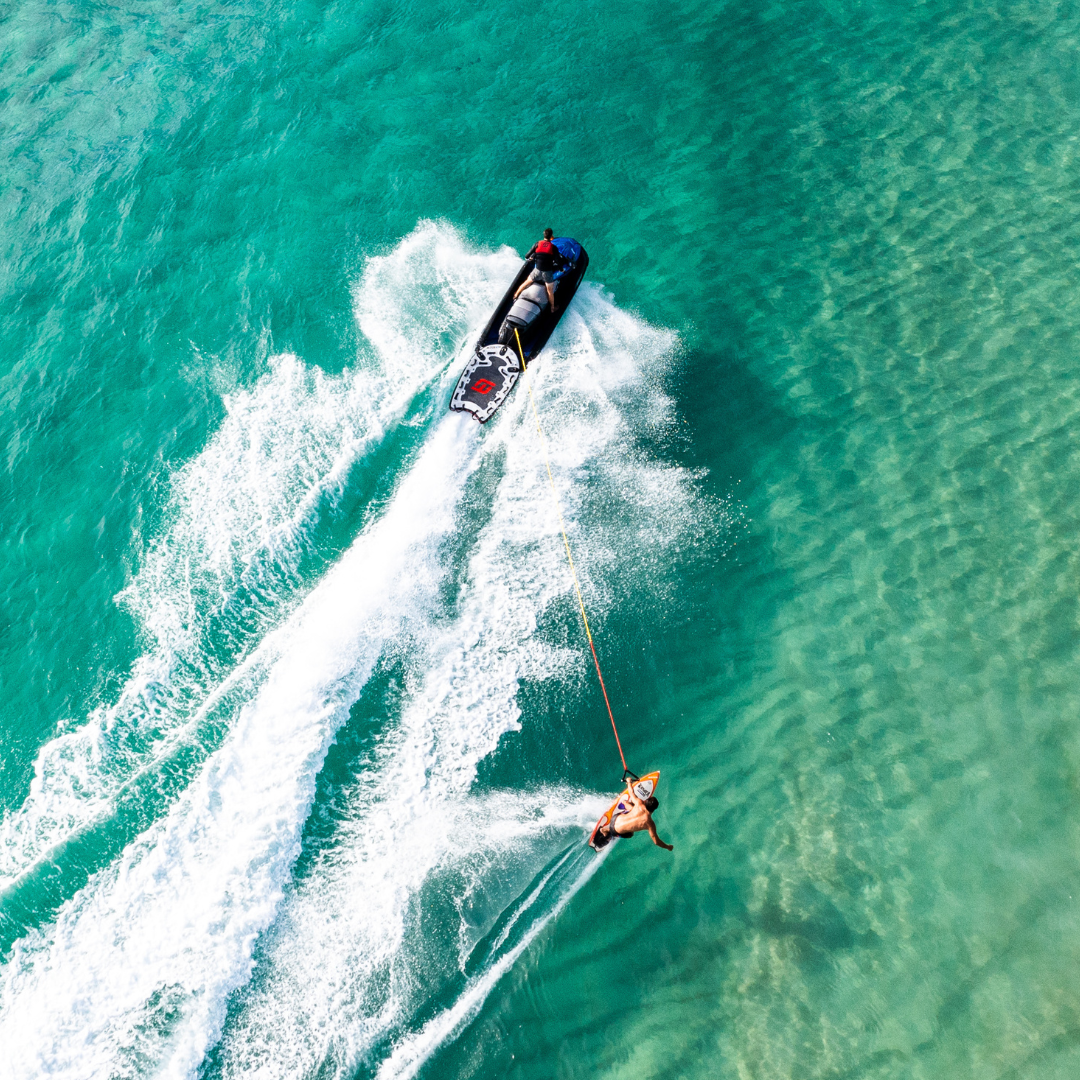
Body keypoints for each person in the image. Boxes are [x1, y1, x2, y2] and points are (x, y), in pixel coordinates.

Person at [595, 781, 673, 851]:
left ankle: (624, 803)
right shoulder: (650, 824)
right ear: (654, 809)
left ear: (645, 802)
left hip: (615, 818)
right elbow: (656, 841)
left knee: (632, 807)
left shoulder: (639, 803)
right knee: (630, 834)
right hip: (615, 831)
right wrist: (668, 847)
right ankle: (606, 832)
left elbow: (631, 793)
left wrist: (629, 782)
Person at [514, 228, 565, 313]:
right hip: (547, 273)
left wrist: (533, 257)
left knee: (526, 283)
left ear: (543, 235)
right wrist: (561, 269)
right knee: (550, 291)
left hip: (537, 270)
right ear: (551, 237)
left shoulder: (537, 244)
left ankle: (515, 295)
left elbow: (527, 256)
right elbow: (558, 261)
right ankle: (552, 308)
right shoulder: (553, 247)